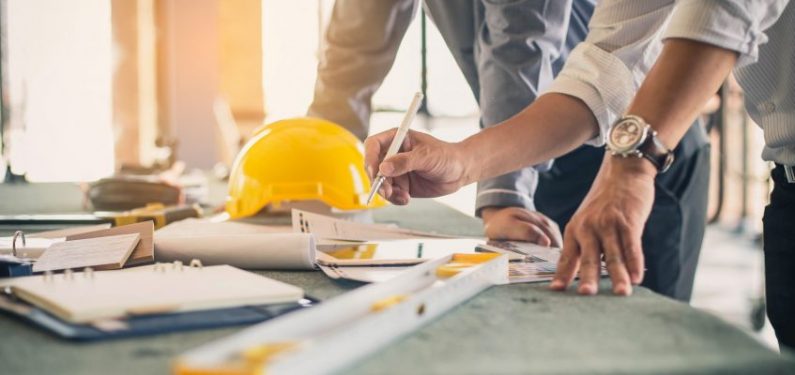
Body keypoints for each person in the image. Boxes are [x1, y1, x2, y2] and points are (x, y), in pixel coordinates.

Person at [364, 0, 794, 351]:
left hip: (655, 155)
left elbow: (723, 13)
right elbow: (605, 66)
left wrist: (629, 166)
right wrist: (463, 161)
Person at [309, 0, 710, 302]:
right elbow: (353, 49)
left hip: (641, 148)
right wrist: (313, 166)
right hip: (525, 147)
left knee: (638, 336)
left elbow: (520, 47)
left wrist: (504, 195)